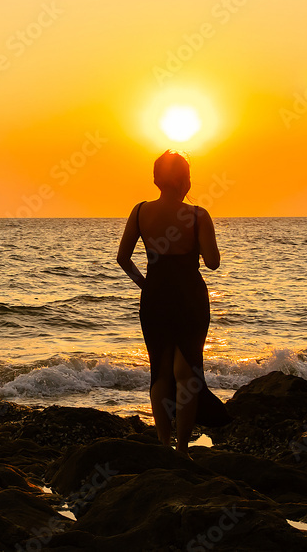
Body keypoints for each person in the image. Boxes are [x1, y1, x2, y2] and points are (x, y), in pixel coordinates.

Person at [116, 150, 230, 456]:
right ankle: (182, 449)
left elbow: (122, 258)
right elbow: (213, 263)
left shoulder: (140, 212)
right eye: (189, 175)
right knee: (187, 374)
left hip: (154, 297)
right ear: (183, 181)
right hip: (190, 299)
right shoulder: (197, 215)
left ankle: (163, 445)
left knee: (160, 372)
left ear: (156, 179)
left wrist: (145, 284)